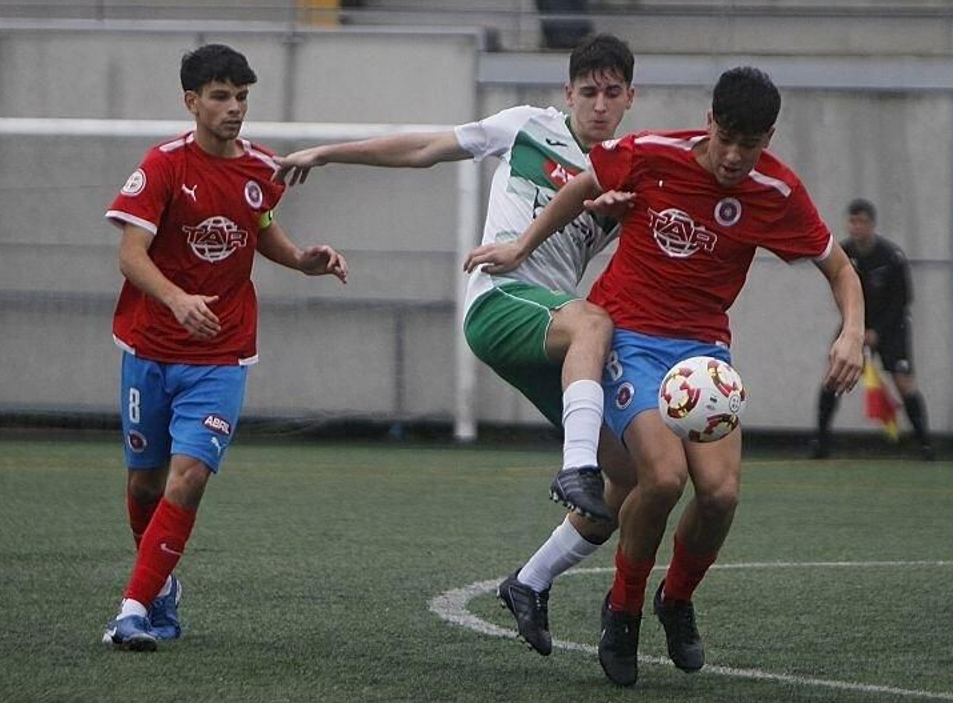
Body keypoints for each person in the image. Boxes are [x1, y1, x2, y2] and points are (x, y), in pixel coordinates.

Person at [466, 67, 865, 687]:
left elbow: (840, 268)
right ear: (709, 122)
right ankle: (621, 610)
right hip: (627, 336)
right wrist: (520, 248)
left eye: (750, 144)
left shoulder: (775, 192)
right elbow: (580, 185)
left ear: (769, 138)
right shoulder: (653, 154)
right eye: (726, 138)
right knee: (662, 475)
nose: (734, 157)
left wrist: (850, 334)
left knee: (722, 493)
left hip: (704, 354)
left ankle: (675, 600)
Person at [276, 34, 641, 656]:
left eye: (612, 93)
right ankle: (573, 466)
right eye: (588, 92)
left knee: (630, 476)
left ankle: (529, 582)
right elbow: (423, 147)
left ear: (631, 97)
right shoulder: (526, 126)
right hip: (501, 303)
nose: (599, 105)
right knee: (592, 324)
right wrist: (330, 152)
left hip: (550, 332)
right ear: (567, 93)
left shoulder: (631, 170)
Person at [100, 43, 349, 650]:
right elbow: (131, 255)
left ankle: (131, 609)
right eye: (220, 97)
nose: (235, 108)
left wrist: (302, 260)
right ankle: (160, 589)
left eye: (241, 97)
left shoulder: (262, 170)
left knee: (188, 478)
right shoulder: (161, 166)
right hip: (150, 348)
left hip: (221, 355)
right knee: (145, 486)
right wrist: (177, 299)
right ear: (192, 102)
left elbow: (258, 227)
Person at [811, 198, 933, 460]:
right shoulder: (843, 254)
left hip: (891, 328)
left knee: (904, 382)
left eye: (863, 222)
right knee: (834, 375)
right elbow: (839, 290)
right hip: (855, 324)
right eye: (853, 221)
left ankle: (925, 444)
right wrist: (855, 326)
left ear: (872, 225)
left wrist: (877, 331)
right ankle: (820, 443)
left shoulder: (891, 257)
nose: (857, 227)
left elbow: (902, 300)